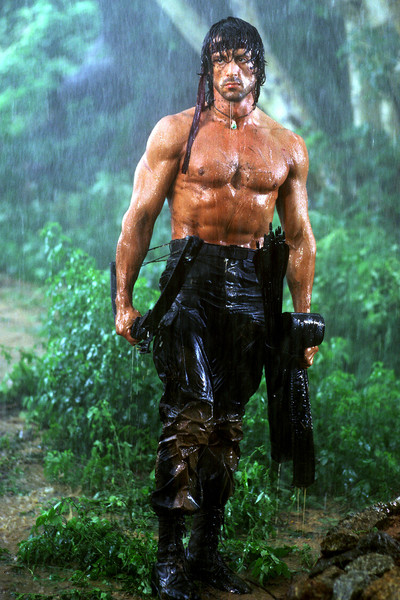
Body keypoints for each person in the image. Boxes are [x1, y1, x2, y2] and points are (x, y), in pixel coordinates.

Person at [115, 16, 317, 600]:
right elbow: (139, 218)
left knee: (227, 423)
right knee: (190, 413)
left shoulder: (285, 145)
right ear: (207, 68)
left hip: (253, 286)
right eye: (221, 59)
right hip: (189, 280)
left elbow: (299, 238)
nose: (232, 71)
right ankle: (168, 558)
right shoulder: (176, 132)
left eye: (243, 60)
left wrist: (302, 320)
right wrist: (123, 300)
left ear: (259, 69)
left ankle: (206, 554)